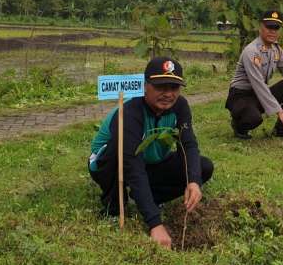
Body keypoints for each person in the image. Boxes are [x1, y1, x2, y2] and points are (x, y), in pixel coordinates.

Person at [88, 56, 214, 249]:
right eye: (160, 87)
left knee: (203, 166)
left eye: (174, 88)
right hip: (109, 163)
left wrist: (194, 180)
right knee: (119, 148)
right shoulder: (130, 111)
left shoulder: (180, 106)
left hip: (149, 164)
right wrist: (155, 223)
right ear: (145, 85)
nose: (168, 94)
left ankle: (148, 198)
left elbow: (188, 144)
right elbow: (131, 163)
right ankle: (113, 205)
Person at [226, 9, 283, 141]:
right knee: (253, 119)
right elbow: (258, 85)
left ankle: (281, 129)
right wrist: (280, 112)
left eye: (276, 28)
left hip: (257, 95)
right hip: (240, 96)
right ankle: (238, 125)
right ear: (261, 27)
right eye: (269, 27)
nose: (272, 31)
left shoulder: (276, 50)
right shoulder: (252, 51)